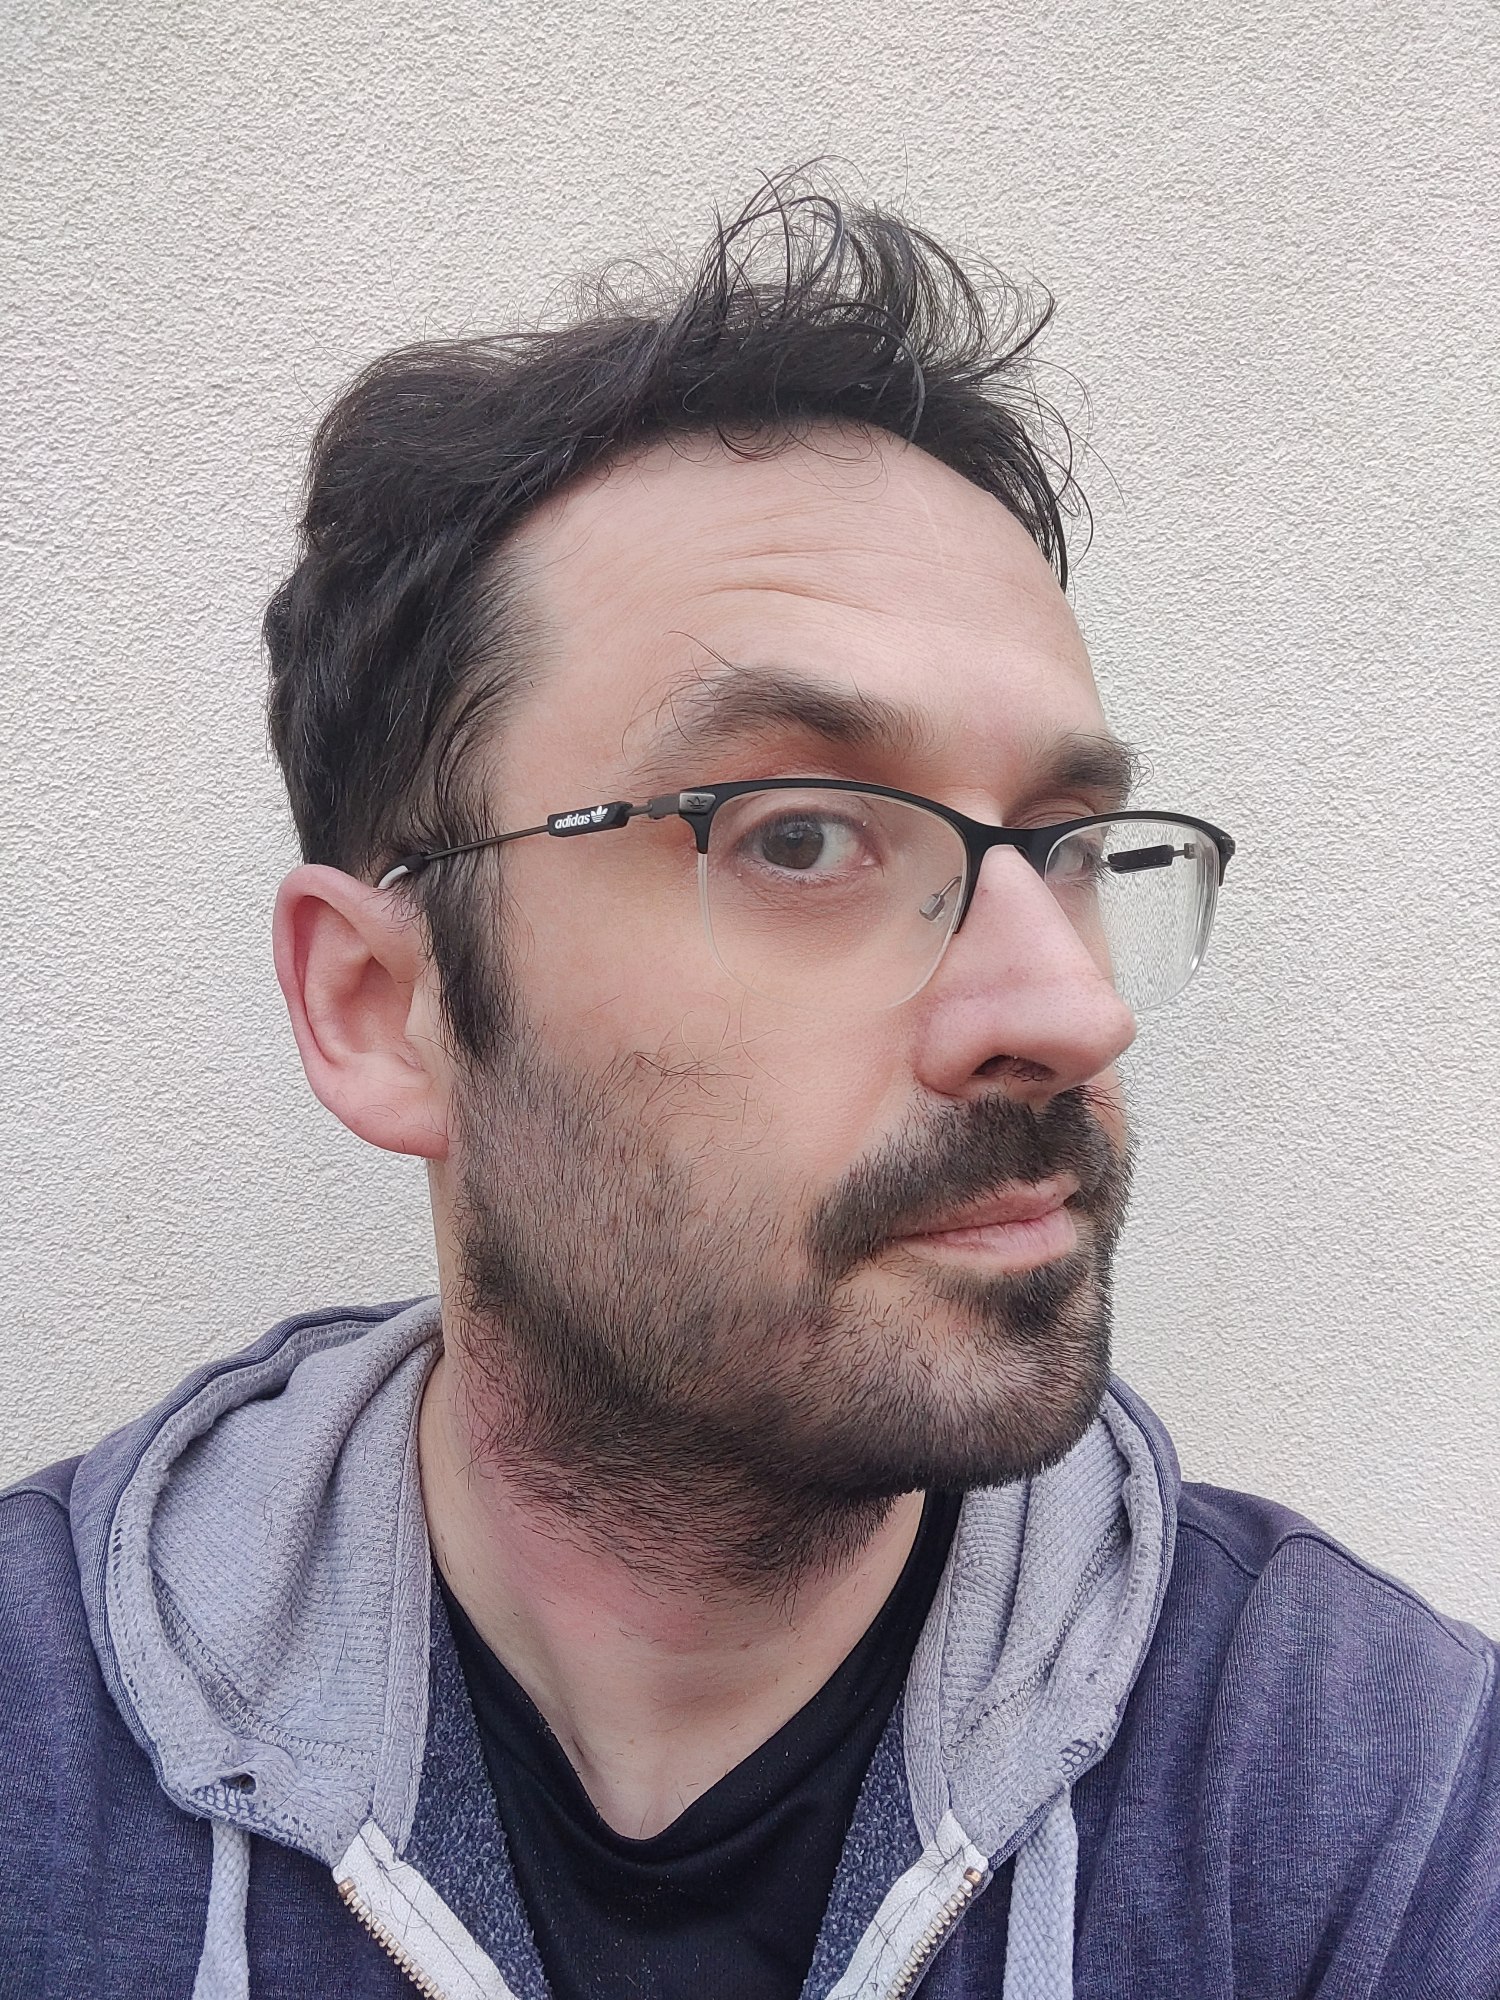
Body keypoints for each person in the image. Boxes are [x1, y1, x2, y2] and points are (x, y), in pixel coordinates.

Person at [2, 174, 1496, 2000]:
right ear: (386, 1008)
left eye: (1067, 845)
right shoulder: (37, 1752)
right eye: (799, 837)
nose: (1065, 1007)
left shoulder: (1374, 1796)